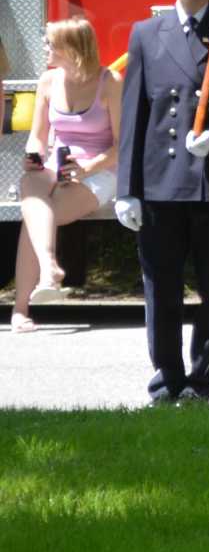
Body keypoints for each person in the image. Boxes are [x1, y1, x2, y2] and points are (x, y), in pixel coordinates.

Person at [112, 0, 209, 402]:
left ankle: (201, 380)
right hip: (160, 184)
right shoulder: (147, 34)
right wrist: (126, 188)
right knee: (161, 290)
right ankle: (166, 380)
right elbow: (135, 115)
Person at [11, 18, 122, 331]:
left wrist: (86, 169)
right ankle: (48, 268)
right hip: (57, 164)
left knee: (35, 217)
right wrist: (34, 155)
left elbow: (121, 146)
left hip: (101, 169)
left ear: (72, 49)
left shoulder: (109, 81)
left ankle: (21, 308)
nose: (45, 48)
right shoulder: (48, 81)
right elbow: (38, 136)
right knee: (30, 184)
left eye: (50, 44)